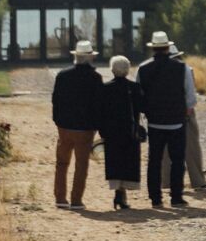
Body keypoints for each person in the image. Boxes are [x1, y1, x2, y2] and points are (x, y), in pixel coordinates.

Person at [136, 31, 197, 208]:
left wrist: (146, 111)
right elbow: (190, 96)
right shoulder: (182, 68)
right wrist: (186, 111)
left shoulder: (143, 68)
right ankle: (176, 196)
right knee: (177, 160)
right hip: (177, 120)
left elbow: (139, 95)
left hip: (154, 121)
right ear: (167, 48)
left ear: (153, 48)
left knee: (154, 160)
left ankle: (155, 198)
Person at [50, 40, 102, 208]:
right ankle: (76, 199)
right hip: (85, 128)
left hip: (64, 126)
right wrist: (97, 125)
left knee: (61, 162)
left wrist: (57, 121)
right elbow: (98, 104)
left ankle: (60, 197)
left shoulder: (62, 75)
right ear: (90, 58)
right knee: (81, 165)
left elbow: (55, 100)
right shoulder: (95, 78)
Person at [98, 55, 145, 209]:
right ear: (127, 69)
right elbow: (142, 108)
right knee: (128, 162)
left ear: (112, 70)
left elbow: (100, 112)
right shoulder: (135, 88)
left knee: (114, 161)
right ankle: (122, 194)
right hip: (130, 131)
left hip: (111, 132)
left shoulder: (105, 88)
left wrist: (102, 131)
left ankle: (118, 192)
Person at [171, 44, 206, 188]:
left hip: (168, 112)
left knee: (169, 150)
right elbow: (191, 92)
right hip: (185, 111)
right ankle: (197, 179)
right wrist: (189, 107)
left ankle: (168, 180)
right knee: (191, 147)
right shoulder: (186, 69)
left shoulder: (156, 69)